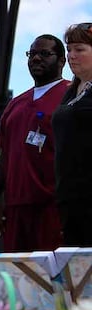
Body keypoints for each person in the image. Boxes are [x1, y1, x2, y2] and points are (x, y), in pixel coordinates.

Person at [0, 35, 68, 252]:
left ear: (62, 60)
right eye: (32, 54)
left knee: (54, 279)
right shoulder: (15, 105)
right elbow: (4, 154)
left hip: (52, 207)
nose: (36, 59)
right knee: (18, 276)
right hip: (15, 208)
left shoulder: (70, 98)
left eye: (44, 54)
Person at [52, 23, 92, 247]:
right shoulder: (71, 90)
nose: (71, 56)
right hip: (69, 197)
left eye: (79, 49)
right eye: (69, 50)